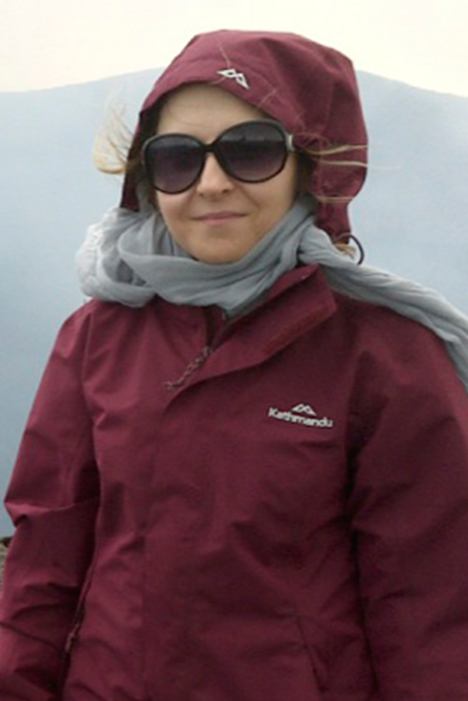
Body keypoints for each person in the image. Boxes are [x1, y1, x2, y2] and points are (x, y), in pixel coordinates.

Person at [1, 29, 468, 701]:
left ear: (311, 167)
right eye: (177, 158)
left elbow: (433, 611)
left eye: (250, 150)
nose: (211, 183)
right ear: (147, 179)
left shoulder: (387, 357)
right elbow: (42, 566)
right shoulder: (98, 337)